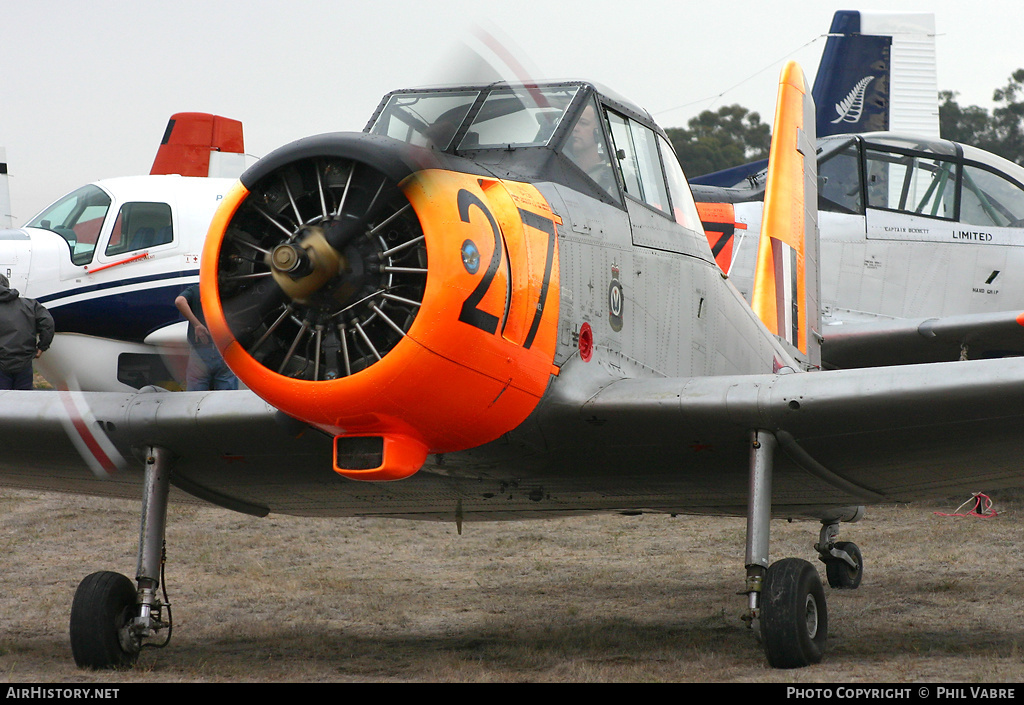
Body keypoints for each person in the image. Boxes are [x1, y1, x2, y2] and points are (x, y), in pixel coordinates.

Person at [174, 284, 237, 391]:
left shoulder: (195, 290)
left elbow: (179, 301)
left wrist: (197, 325)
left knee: (195, 398)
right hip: (224, 350)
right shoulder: (227, 290)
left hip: (200, 352)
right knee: (227, 398)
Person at [0, 273, 54, 390]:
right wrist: (42, 347)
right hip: (24, 362)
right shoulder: (30, 304)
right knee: (23, 402)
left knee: (2, 404)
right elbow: (48, 322)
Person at [564, 103, 616, 195]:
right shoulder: (554, 169)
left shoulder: (618, 178)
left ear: (599, 131)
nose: (574, 128)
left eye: (583, 123)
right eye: (570, 122)